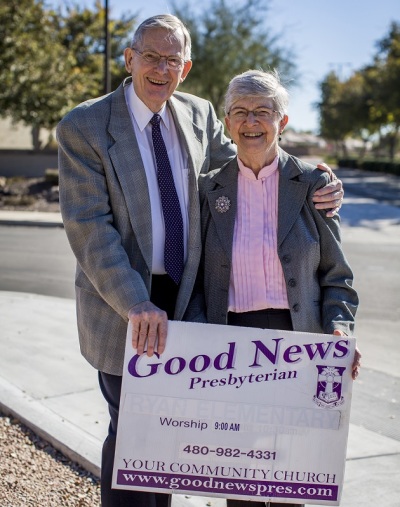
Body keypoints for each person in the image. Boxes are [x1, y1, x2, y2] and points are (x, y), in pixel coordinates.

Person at [57, 14, 344, 507]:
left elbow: (249, 156)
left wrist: (313, 179)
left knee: (169, 440)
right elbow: (89, 229)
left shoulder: (198, 113)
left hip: (192, 297)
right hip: (125, 296)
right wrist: (136, 304)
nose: (161, 68)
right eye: (151, 55)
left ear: (185, 68)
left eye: (172, 59)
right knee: (133, 434)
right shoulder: (85, 126)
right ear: (130, 59)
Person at [186, 69, 361, 507]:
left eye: (263, 112)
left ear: (282, 121)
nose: (251, 122)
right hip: (231, 348)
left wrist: (339, 329)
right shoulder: (209, 188)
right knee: (239, 482)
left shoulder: (313, 185)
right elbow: (194, 275)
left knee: (289, 482)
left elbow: (337, 276)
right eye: (240, 112)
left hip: (298, 344)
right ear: (227, 122)